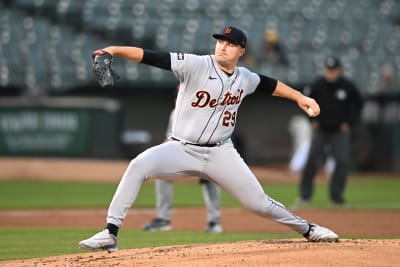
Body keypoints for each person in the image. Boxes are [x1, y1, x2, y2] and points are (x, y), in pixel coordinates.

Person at [79, 26, 339, 253]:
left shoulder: (245, 78)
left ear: (241, 50)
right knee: (138, 165)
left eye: (230, 44)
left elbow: (269, 84)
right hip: (181, 148)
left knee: (259, 204)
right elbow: (151, 57)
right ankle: (110, 232)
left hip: (221, 153)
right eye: (220, 41)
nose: (223, 47)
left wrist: (299, 98)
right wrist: (113, 49)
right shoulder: (196, 64)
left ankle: (308, 229)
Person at [295, 56, 364, 208]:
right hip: (321, 130)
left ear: (339, 71)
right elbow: (304, 103)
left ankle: (336, 197)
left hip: (339, 131)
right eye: (328, 70)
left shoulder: (347, 86)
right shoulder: (317, 85)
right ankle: (305, 196)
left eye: (333, 70)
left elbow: (358, 105)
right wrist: (312, 121)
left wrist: (349, 122)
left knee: (342, 160)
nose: (330, 73)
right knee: (312, 159)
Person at [143, 109, 223, 233]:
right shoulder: (175, 112)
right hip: (182, 155)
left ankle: (214, 222)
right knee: (163, 177)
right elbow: (169, 138)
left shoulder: (207, 110)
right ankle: (164, 220)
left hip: (204, 154)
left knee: (210, 179)